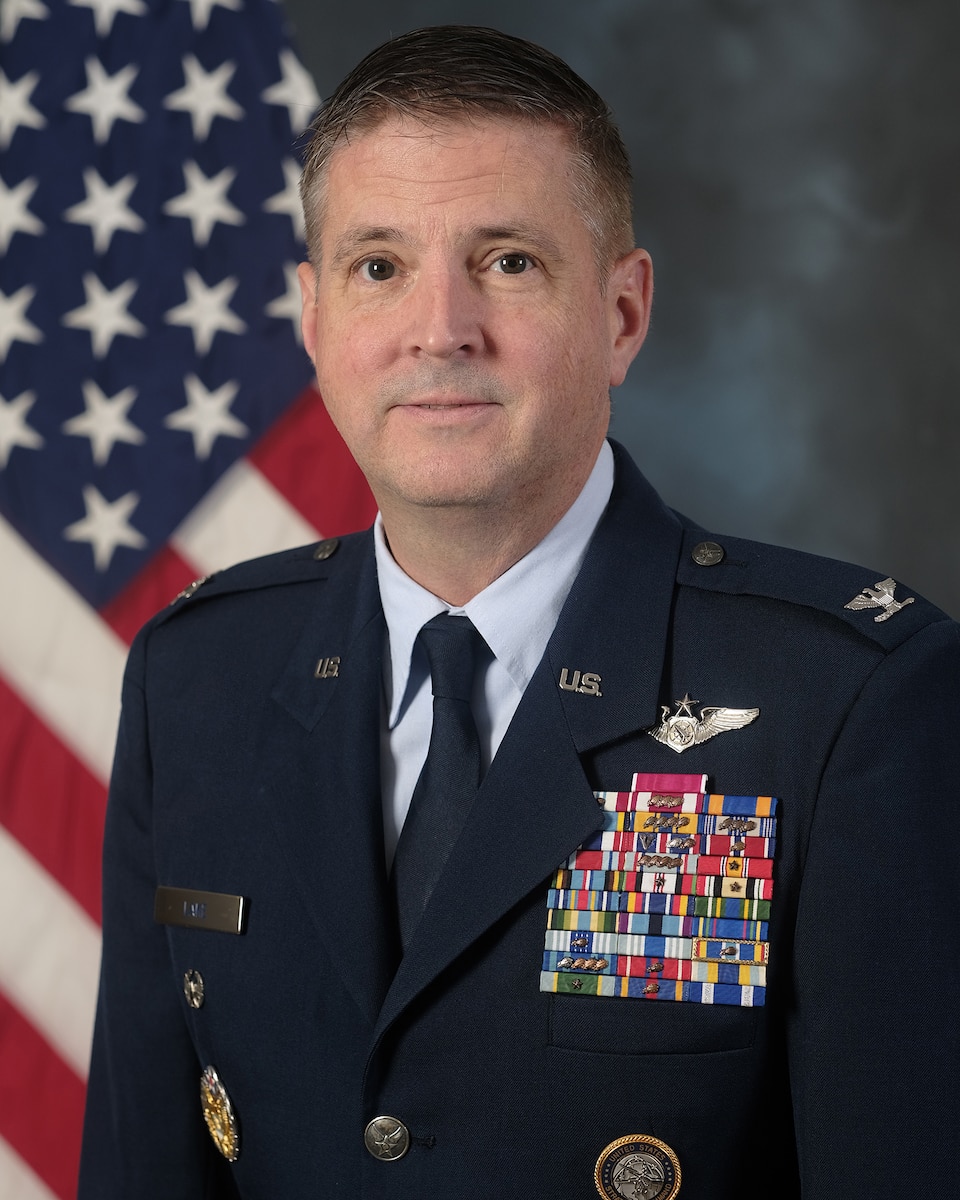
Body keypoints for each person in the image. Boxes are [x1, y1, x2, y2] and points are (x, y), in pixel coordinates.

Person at [78, 25, 960, 1200]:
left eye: (506, 261)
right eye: (379, 266)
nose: (440, 327)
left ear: (624, 315)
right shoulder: (198, 677)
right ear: (314, 319)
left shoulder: (850, 699)